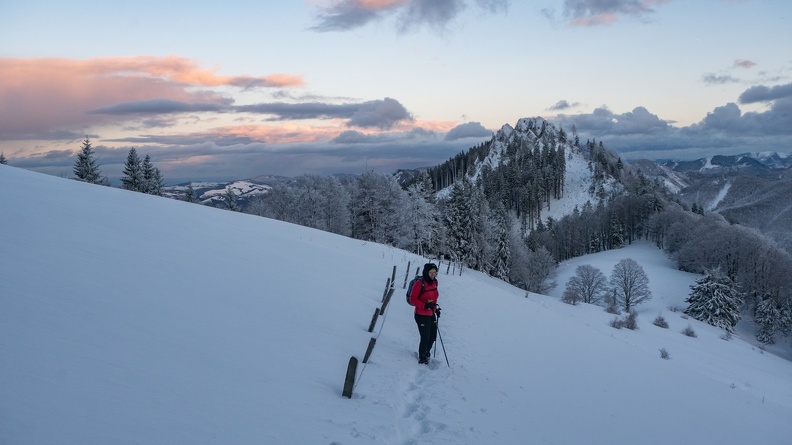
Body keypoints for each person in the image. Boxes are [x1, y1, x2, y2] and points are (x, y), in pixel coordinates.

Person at [409, 262, 441, 364]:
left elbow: (434, 299)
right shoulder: (419, 283)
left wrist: (435, 309)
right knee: (425, 337)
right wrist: (425, 305)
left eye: (435, 273)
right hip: (421, 315)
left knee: (433, 336)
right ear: (426, 272)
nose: (433, 275)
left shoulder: (435, 282)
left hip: (431, 313)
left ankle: (427, 352)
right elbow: (412, 299)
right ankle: (422, 358)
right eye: (431, 272)